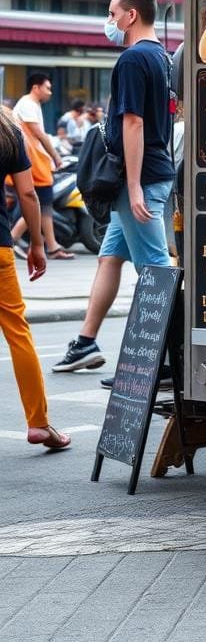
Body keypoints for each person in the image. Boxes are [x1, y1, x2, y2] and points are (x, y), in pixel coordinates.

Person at [53, 0, 174, 373]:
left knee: (155, 271)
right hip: (150, 172)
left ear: (131, 15)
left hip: (136, 178)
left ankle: (170, 361)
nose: (109, 21)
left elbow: (134, 122)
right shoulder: (163, 58)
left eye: (112, 13)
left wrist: (135, 185)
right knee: (109, 257)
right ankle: (86, 342)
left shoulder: (132, 60)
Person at [0, 108, 70, 449]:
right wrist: (38, 245)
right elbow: (28, 194)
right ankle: (39, 424)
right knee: (17, 333)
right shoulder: (8, 131)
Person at [10, 74, 73, 261]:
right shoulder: (28, 104)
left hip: (37, 162)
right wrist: (55, 156)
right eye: (47, 88)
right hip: (34, 163)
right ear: (36, 87)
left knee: (45, 204)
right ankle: (13, 237)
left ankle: (52, 246)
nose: (50, 92)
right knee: (37, 203)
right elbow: (39, 134)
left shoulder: (31, 104)